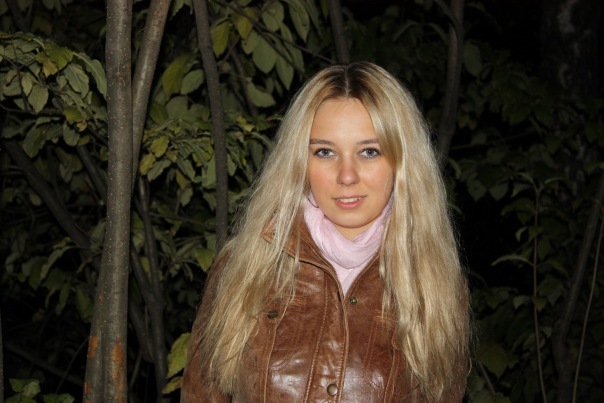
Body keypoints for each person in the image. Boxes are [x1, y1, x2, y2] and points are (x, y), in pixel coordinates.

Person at [181, 62, 470, 402]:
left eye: (370, 151)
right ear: (300, 162)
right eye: (325, 152)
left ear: (401, 162)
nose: (346, 175)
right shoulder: (243, 267)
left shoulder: (435, 284)